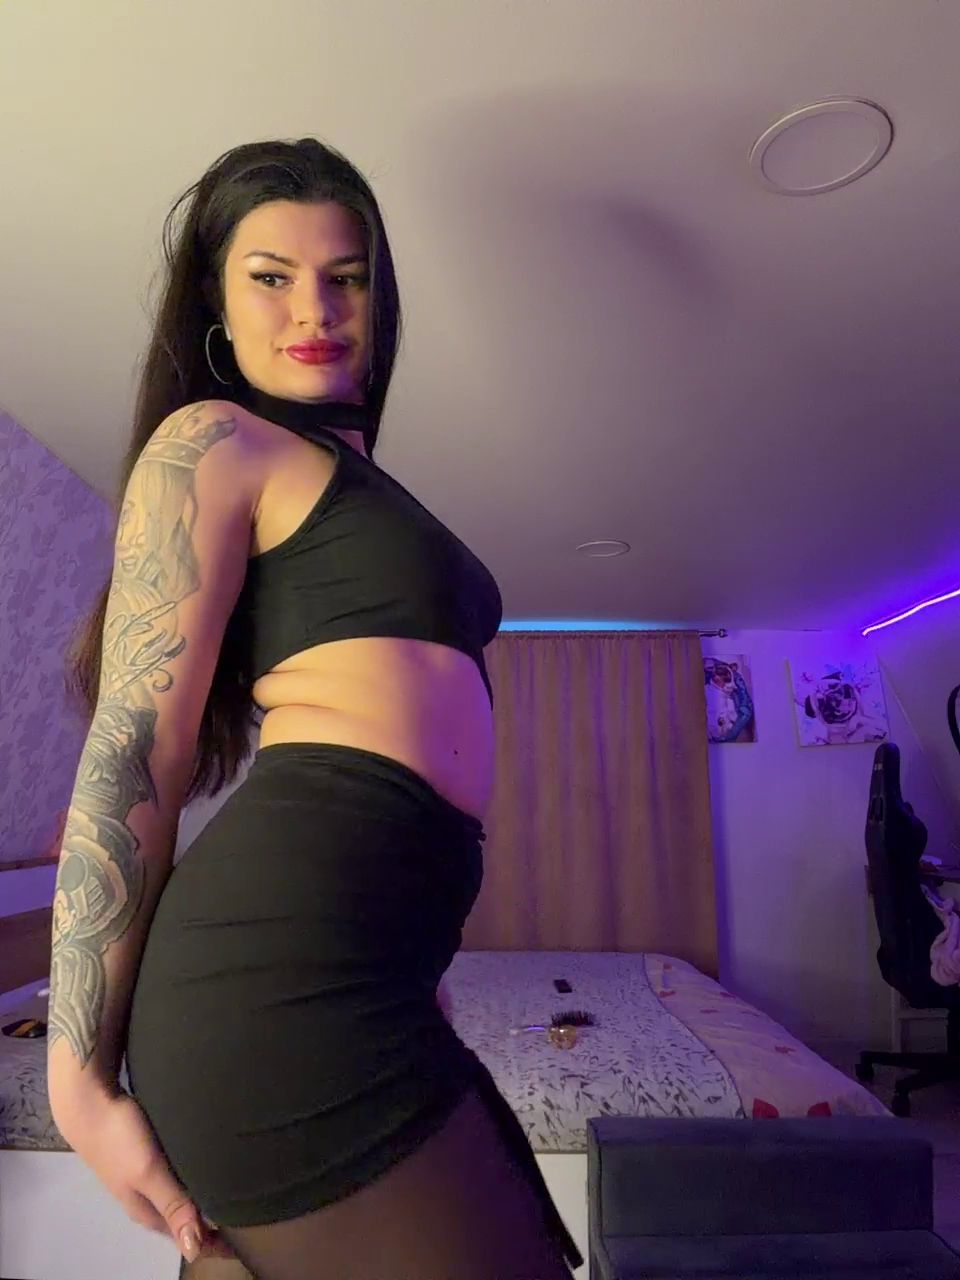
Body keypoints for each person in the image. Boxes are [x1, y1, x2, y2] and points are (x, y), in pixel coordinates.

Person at [46, 137, 583, 1280]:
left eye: (347, 276)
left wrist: (418, 958)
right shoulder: (212, 440)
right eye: (272, 276)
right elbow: (139, 744)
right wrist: (76, 1076)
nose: (316, 308)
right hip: (279, 981)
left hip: (372, 969)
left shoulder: (352, 478)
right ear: (215, 302)